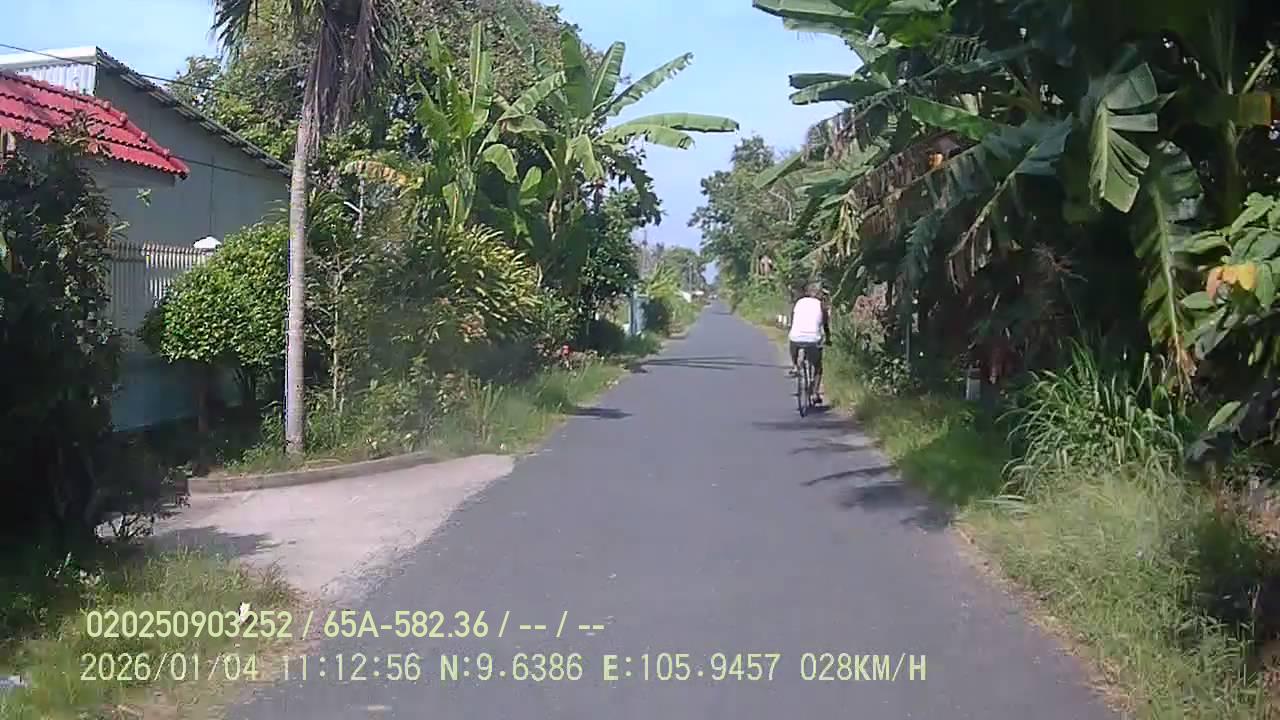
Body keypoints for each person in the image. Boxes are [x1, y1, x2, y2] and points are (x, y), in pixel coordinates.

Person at [788, 282, 830, 405]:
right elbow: (825, 325)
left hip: (796, 337)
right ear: (819, 294)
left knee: (793, 339)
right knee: (818, 366)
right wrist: (828, 338)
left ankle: (795, 365)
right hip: (813, 339)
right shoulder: (821, 305)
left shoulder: (799, 302)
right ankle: (815, 393)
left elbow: (793, 320)